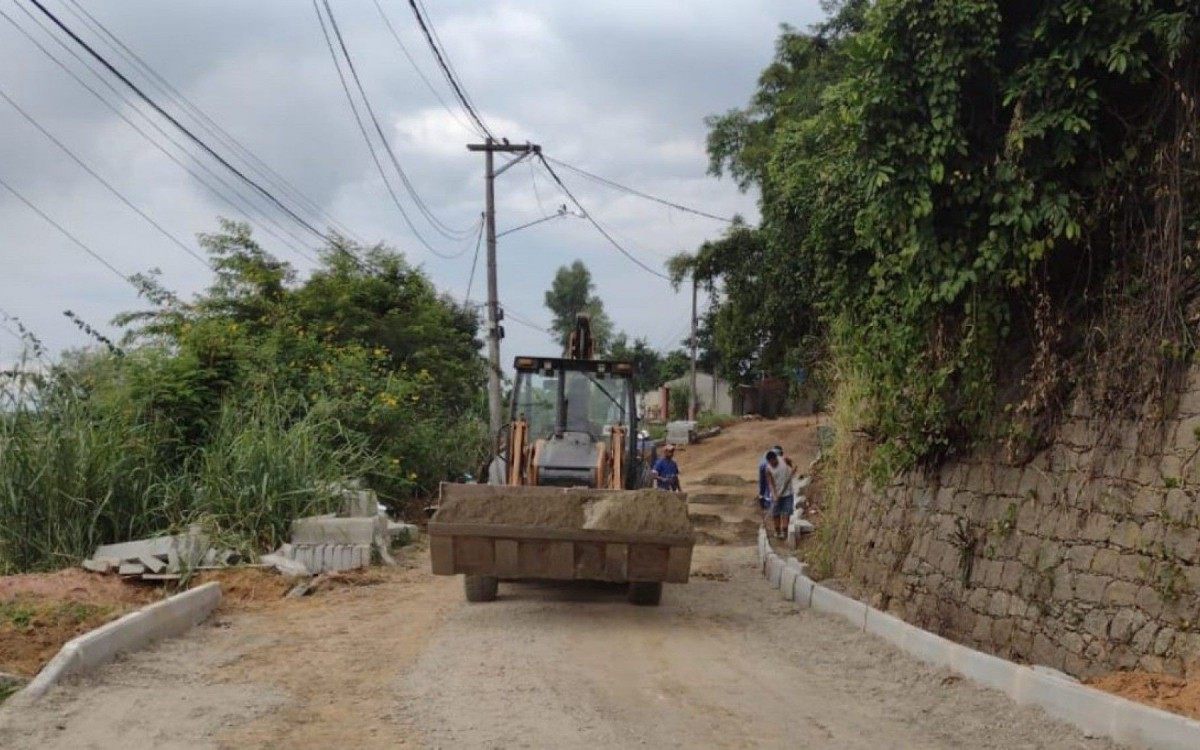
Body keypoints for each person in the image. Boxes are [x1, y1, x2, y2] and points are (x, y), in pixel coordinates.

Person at [764, 449, 796, 539]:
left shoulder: (784, 460)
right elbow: (770, 483)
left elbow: (792, 464)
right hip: (776, 494)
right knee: (776, 514)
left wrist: (792, 470)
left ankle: (785, 533)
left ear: (776, 458)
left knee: (786, 513)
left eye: (773, 462)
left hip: (788, 493)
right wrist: (774, 495)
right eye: (770, 463)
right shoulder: (768, 469)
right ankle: (777, 532)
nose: (772, 464)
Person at [757, 444, 785, 510]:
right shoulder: (779, 455)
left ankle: (765, 501)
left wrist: (761, 494)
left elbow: (761, 482)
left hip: (762, 466)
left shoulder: (766, 454)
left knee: (764, 484)